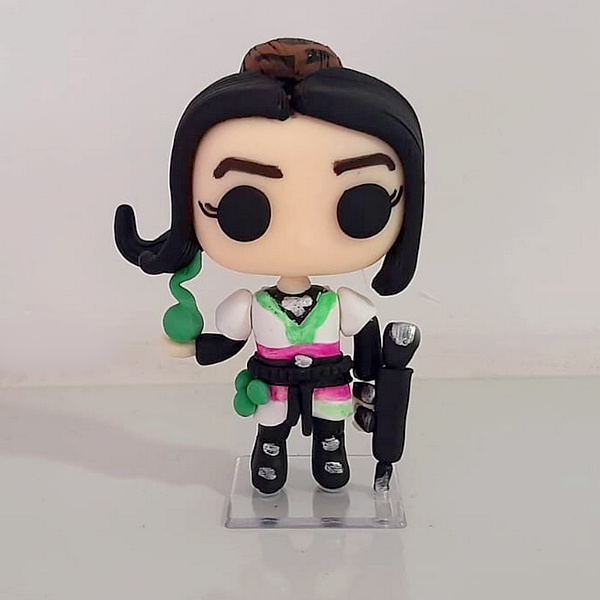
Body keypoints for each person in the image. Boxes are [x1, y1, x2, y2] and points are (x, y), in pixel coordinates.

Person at [114, 38, 425, 495]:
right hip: (272, 384)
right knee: (272, 429)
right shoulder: (251, 305)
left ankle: (330, 451)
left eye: (363, 204)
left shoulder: (343, 304)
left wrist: (376, 374)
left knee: (331, 431)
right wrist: (196, 348)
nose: (302, 238)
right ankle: (270, 453)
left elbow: (365, 345)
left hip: (329, 384)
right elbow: (230, 341)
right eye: (242, 209)